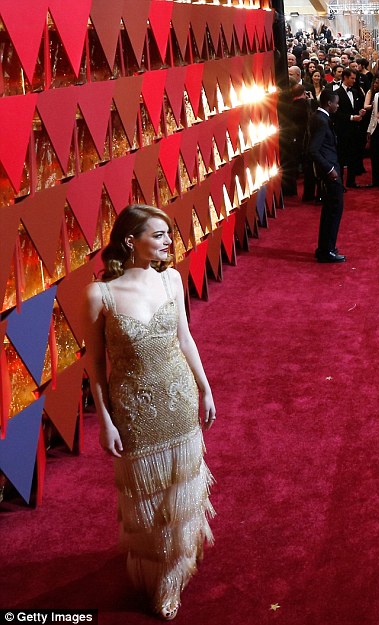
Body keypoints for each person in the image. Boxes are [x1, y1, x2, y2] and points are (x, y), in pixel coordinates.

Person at [84, 204, 216, 621]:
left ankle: (174, 571)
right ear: (130, 240)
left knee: (182, 487)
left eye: (167, 234)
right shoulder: (99, 293)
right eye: (158, 234)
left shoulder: (172, 280)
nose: (167, 242)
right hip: (135, 411)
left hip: (179, 400)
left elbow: (186, 339)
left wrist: (205, 388)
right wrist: (105, 422)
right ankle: (156, 567)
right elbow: (94, 366)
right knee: (146, 499)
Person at [309, 90, 348, 263]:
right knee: (333, 212)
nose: (338, 105)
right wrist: (329, 169)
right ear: (328, 103)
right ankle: (327, 251)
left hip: (331, 169)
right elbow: (313, 150)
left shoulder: (319, 117)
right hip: (330, 172)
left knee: (330, 211)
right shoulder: (321, 120)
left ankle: (325, 248)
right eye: (336, 103)